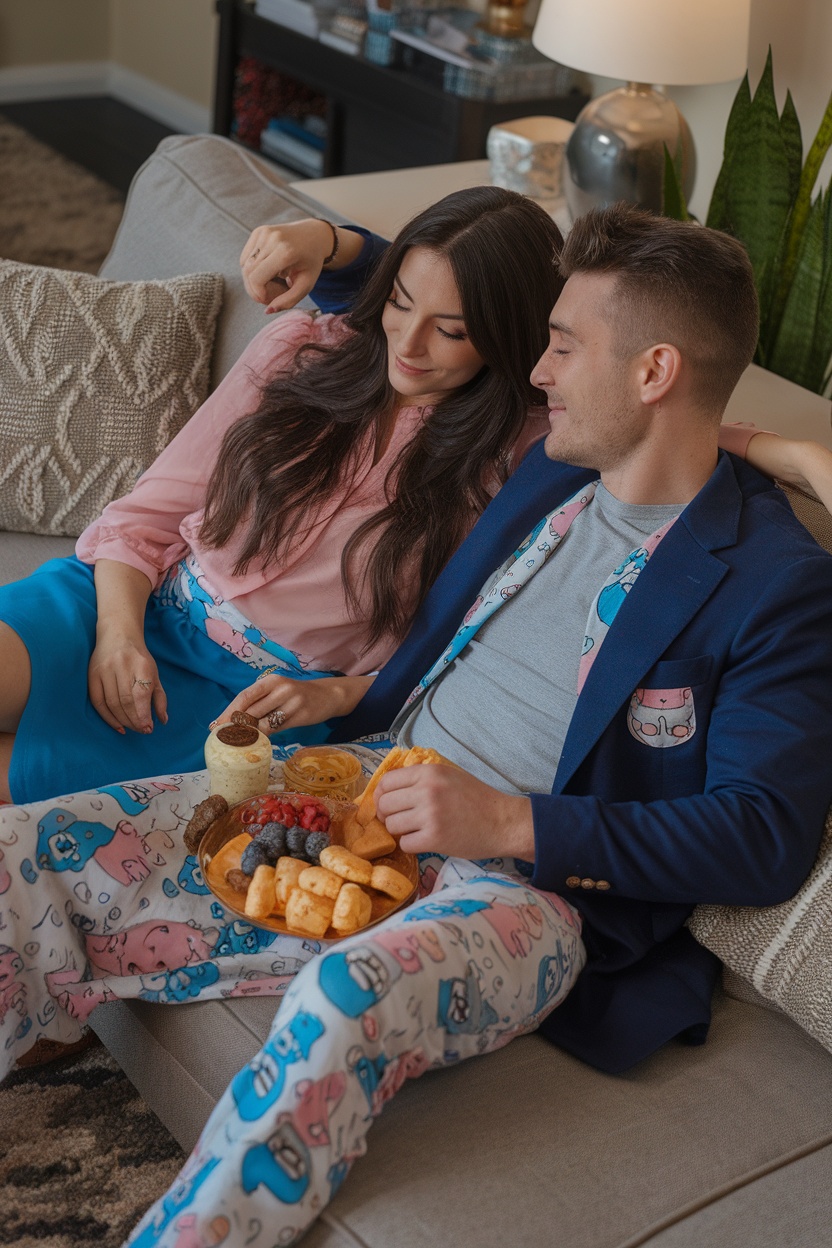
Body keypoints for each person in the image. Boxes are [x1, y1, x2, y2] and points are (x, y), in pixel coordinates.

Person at [8, 203, 832, 1246]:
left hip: (529, 888)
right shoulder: (554, 466)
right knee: (23, 848)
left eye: (564, 347)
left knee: (339, 997)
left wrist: (508, 825)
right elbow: (406, 292)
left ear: (654, 372)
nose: (536, 370)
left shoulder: (774, 584)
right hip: (359, 779)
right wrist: (783, 445)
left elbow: (761, 835)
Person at [0, 188, 567, 805]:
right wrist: (117, 633)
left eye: (451, 332)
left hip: (246, 704)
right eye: (399, 304)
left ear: (508, 337)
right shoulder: (302, 351)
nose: (407, 343)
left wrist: (345, 693)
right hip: (123, 606)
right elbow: (143, 517)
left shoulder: (525, 465)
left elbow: (475, 646)